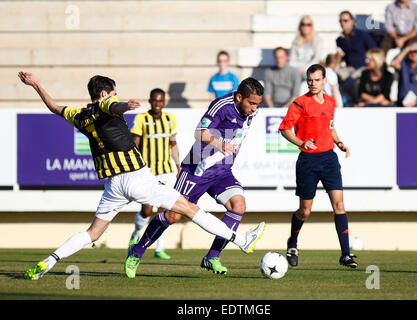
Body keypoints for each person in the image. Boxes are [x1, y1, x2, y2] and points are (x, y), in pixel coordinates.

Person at [18, 72, 265, 280]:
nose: (115, 96)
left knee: (92, 234)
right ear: (105, 94)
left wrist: (36, 85)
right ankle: (241, 240)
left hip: (113, 186)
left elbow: (54, 107)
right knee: (187, 209)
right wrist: (124, 106)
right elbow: (111, 106)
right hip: (137, 178)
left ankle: (50, 261)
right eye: (113, 92)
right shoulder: (107, 105)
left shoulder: (79, 114)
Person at [127, 77, 265, 276]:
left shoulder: (251, 112)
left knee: (238, 206)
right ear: (239, 96)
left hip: (222, 170)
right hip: (197, 170)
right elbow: (199, 133)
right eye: (251, 103)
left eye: (257, 104)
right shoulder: (221, 106)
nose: (254, 108)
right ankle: (136, 252)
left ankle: (212, 257)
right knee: (172, 215)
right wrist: (219, 144)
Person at [278, 64, 358, 269]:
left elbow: (330, 127)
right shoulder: (299, 104)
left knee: (339, 205)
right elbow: (285, 129)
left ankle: (345, 254)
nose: (313, 83)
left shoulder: (331, 102)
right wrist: (301, 143)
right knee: (305, 211)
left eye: (316, 79)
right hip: (308, 161)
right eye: (310, 80)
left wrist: (339, 143)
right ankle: (292, 243)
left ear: (324, 80)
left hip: (329, 159)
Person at [128, 88, 181, 260]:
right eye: (155, 101)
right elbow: (134, 144)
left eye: (161, 101)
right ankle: (136, 234)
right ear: (150, 101)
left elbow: (173, 144)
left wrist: (178, 164)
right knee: (146, 210)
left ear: (164, 102)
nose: (157, 104)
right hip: (147, 171)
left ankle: (159, 248)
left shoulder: (169, 119)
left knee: (164, 210)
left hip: (166, 171)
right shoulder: (141, 119)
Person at [336, 11, 378, 106]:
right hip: (349, 69)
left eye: (345, 20)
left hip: (363, 67)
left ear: (352, 22)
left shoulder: (362, 35)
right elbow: (342, 60)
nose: (343, 23)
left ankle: (353, 102)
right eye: (341, 21)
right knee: (332, 73)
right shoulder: (340, 40)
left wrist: (368, 61)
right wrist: (338, 57)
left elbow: (374, 51)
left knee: (352, 80)